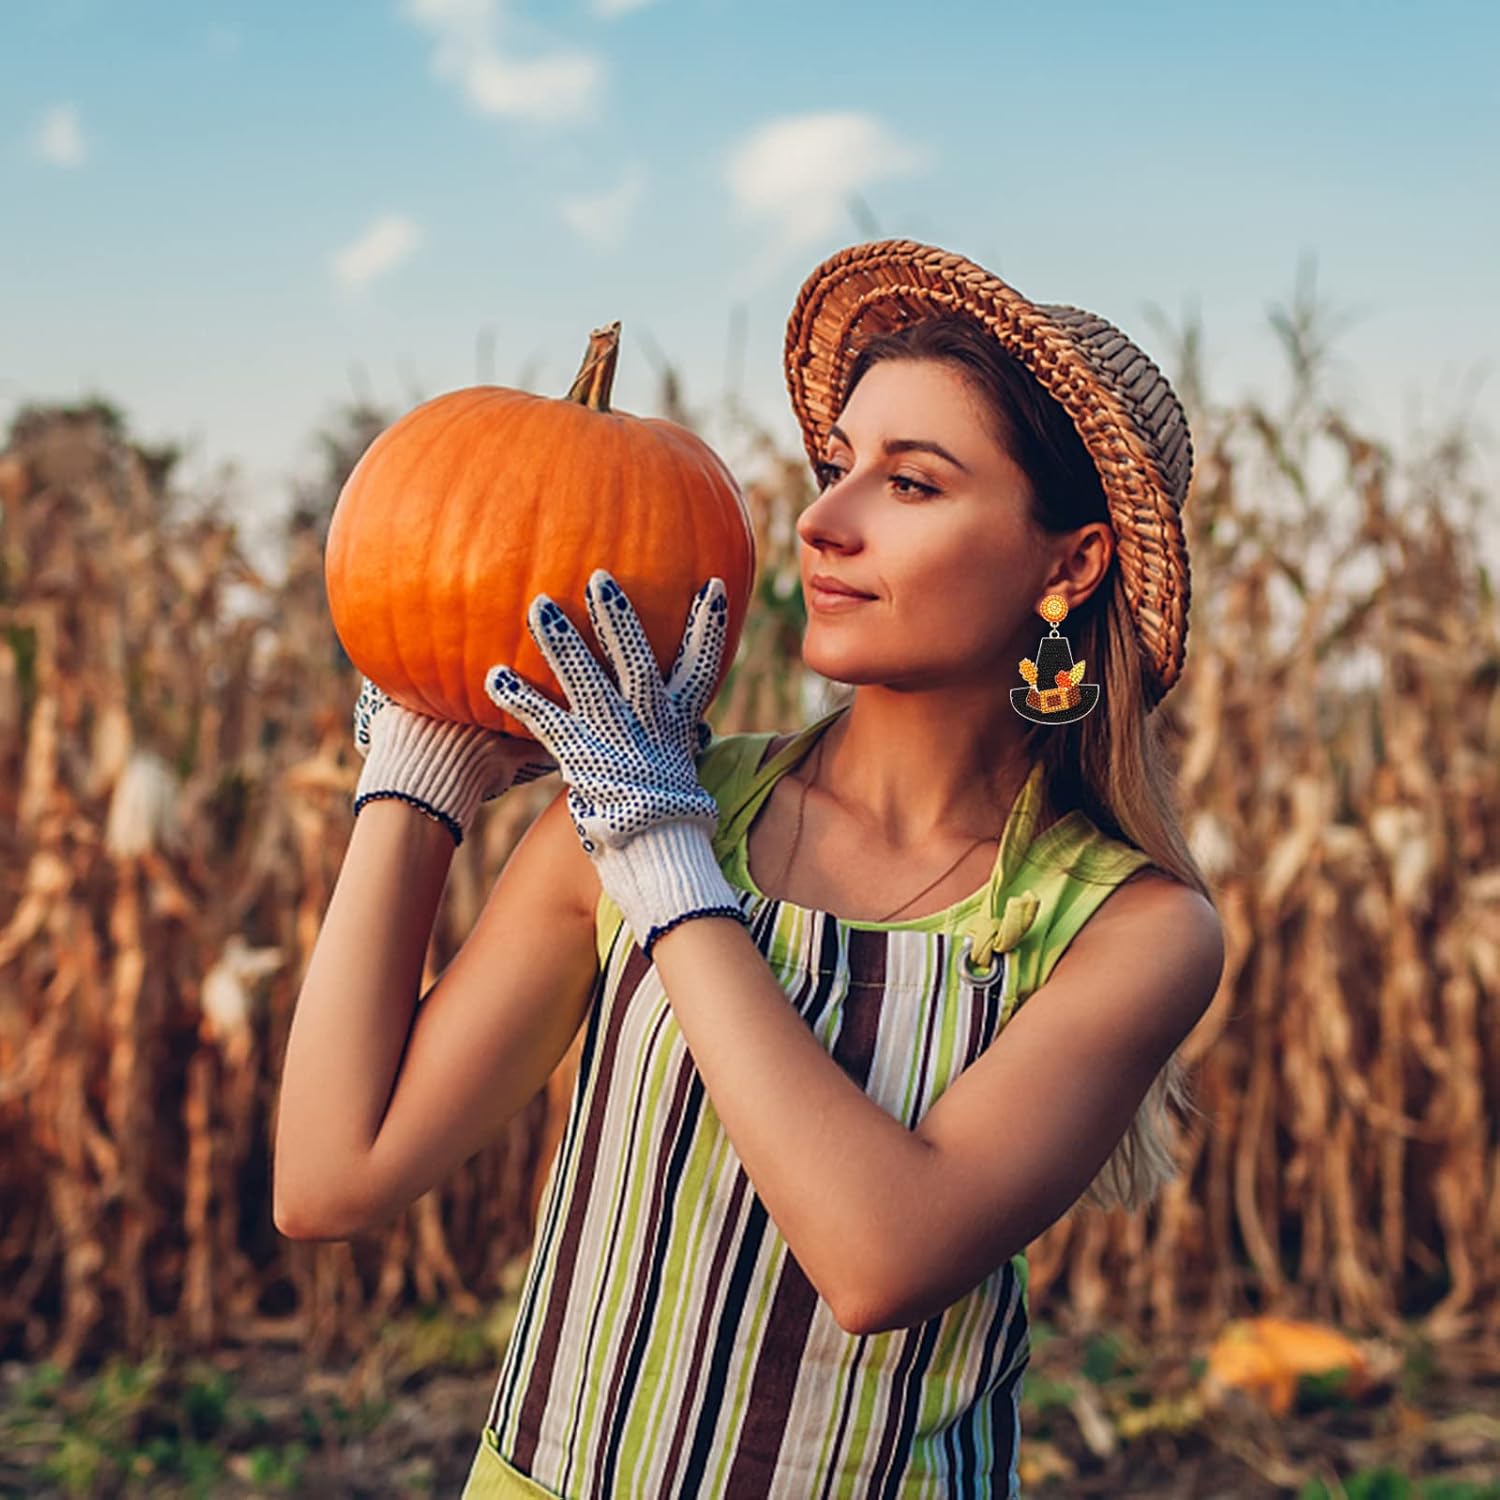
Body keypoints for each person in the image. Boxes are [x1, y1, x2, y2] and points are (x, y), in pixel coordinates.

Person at [274, 240, 1225, 1498]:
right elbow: (331, 1179)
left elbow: (878, 1257)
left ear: (1069, 564)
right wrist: (416, 776)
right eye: (836, 468)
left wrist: (668, 866)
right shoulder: (649, 802)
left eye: (913, 485)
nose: (824, 524)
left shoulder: (1125, 927)